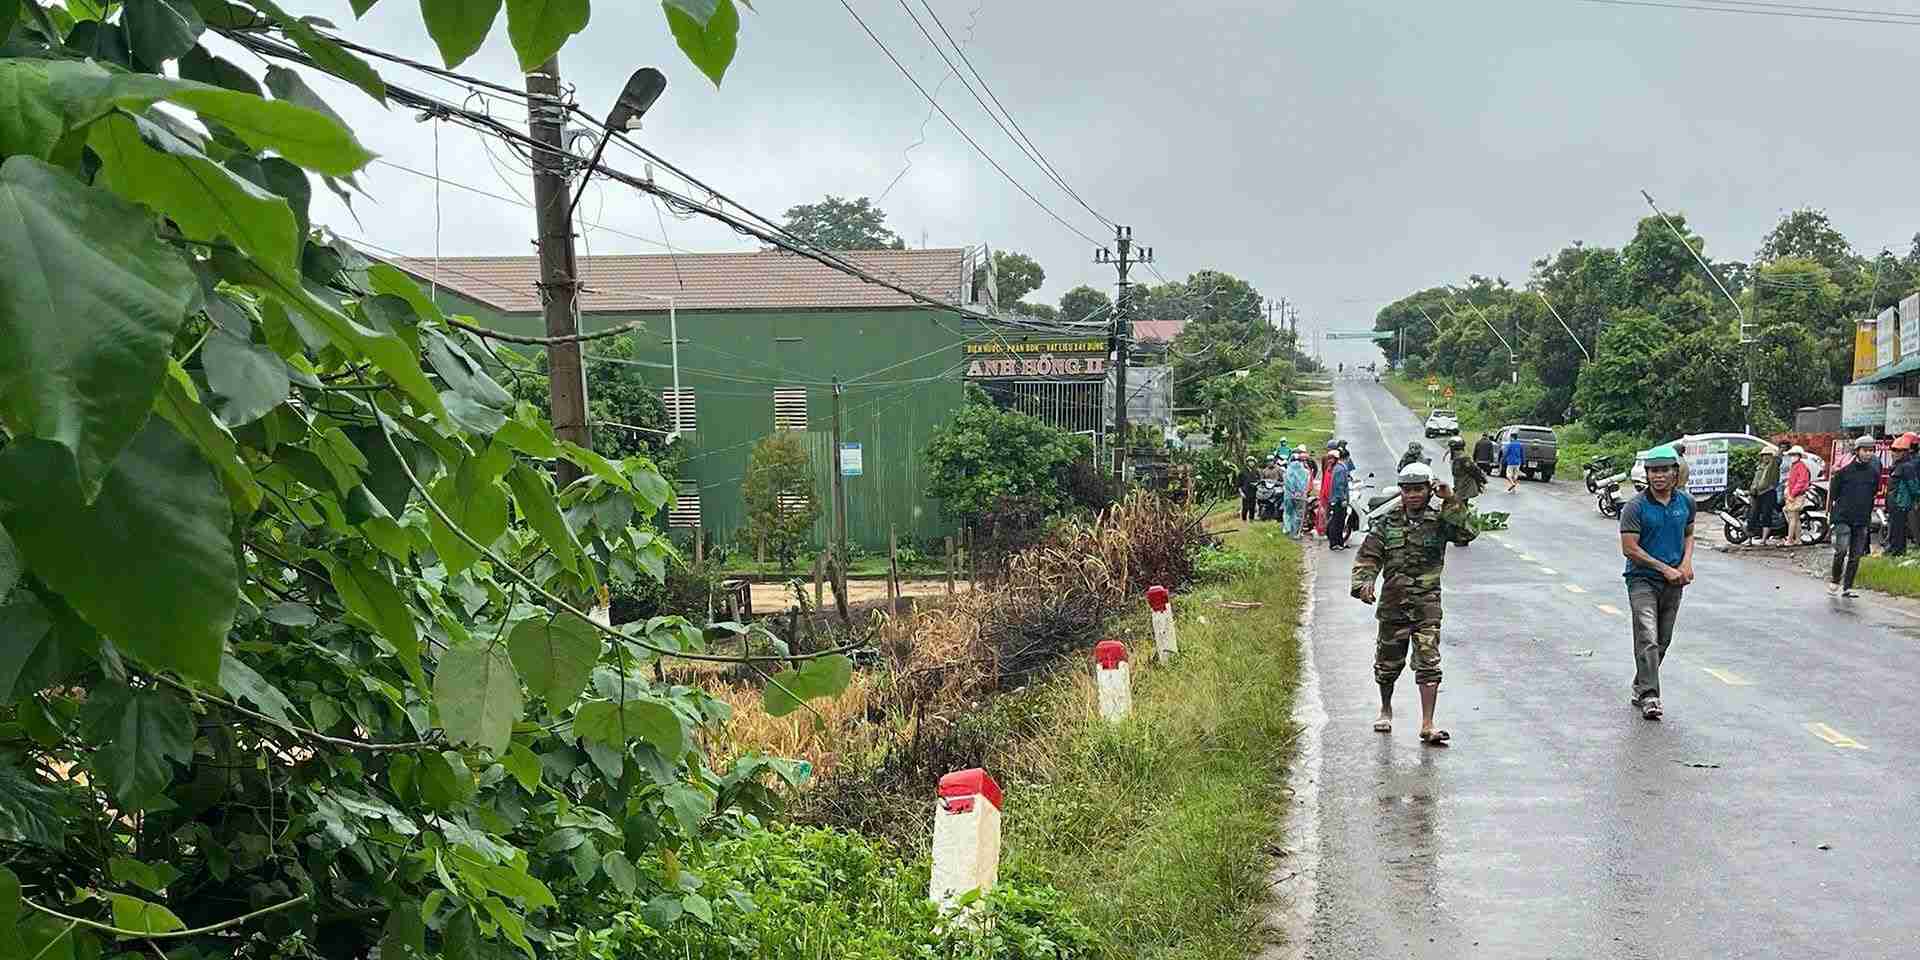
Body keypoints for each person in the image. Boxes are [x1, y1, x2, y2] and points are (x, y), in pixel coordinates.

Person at [1350, 462, 1477, 745]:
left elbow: (1467, 533)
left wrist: (1452, 499)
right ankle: (1385, 709)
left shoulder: (1441, 519)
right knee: (1386, 664)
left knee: (1429, 662)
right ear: (1401, 492)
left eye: (1419, 489)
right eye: (1407, 490)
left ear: (1429, 490)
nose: (1413, 495)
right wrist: (1364, 583)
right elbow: (1369, 556)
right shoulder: (1387, 522)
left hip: (1427, 605)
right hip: (1393, 605)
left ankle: (1428, 723)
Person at [1618, 445, 1695, 721]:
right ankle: (1651, 696)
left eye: (1664, 470)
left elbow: (1689, 533)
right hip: (1642, 580)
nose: (1658, 476)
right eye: (1653, 471)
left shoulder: (1685, 502)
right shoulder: (1635, 507)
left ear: (1675, 473)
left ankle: (1641, 684)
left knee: (1662, 640)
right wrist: (1664, 568)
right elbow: (1630, 549)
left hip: (1675, 582)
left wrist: (1686, 564)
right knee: (1647, 636)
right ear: (1646, 475)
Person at [1829, 435, 1881, 598]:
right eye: (1865, 450)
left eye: (1871, 451)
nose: (1868, 454)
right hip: (1843, 517)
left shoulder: (1873, 473)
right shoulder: (1843, 473)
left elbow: (1873, 492)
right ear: (1857, 451)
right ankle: (1835, 580)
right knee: (1841, 550)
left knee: (1856, 555)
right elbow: (1834, 494)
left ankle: (1847, 587)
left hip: (1862, 518)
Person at [1748, 447, 1782, 546]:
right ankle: (1749, 539)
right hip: (1756, 494)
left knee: (1767, 516)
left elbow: (1777, 459)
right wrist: (1752, 489)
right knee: (1753, 516)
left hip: (1768, 493)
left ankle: (1763, 540)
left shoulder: (1773, 466)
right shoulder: (1759, 467)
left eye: (1768, 455)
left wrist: (1778, 452)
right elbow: (1755, 480)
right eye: (1764, 455)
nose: (1765, 457)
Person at [1893, 434, 1920, 557]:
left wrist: (1916, 500)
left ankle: (1899, 552)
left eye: (1898, 451)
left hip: (1903, 503)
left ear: (1905, 452)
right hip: (1897, 503)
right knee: (1896, 529)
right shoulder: (1899, 465)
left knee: (1901, 530)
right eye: (1893, 450)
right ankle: (1896, 551)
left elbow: (1913, 486)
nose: (1894, 453)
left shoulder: (1908, 466)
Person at [1784, 446, 1812, 546]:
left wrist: (1792, 494)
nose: (1792, 456)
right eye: (1791, 455)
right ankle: (1797, 539)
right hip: (1794, 494)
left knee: (1793, 518)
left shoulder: (1800, 466)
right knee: (1796, 518)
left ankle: (1790, 539)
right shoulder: (1795, 465)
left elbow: (1801, 482)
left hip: (1796, 495)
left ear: (1799, 456)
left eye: (1794, 455)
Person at [1448, 435, 1487, 502]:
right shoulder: (1456, 457)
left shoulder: (1463, 458)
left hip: (1465, 486)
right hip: (1459, 485)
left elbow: (1474, 470)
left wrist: (1482, 480)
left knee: (1460, 504)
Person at [1283, 449, 1313, 537]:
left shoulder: (1287, 471)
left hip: (1289, 495)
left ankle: (1287, 529)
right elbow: (1306, 484)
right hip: (1300, 496)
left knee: (1288, 512)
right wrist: (1300, 492)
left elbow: (1286, 483)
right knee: (1298, 514)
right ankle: (1296, 533)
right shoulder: (1305, 472)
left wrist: (1292, 491)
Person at [1328, 450, 1353, 550]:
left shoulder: (1338, 468)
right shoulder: (1341, 469)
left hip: (1336, 498)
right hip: (1338, 499)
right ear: (1346, 458)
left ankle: (1340, 542)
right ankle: (1335, 543)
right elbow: (1339, 486)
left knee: (1340, 521)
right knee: (1337, 522)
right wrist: (1343, 499)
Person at [1238, 456, 1260, 524]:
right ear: (1247, 463)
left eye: (1252, 462)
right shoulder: (1242, 472)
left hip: (1253, 492)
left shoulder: (1256, 471)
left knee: (1252, 507)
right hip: (1245, 492)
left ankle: (1251, 519)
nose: (1251, 463)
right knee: (1245, 507)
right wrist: (1241, 492)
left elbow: (1259, 481)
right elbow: (1238, 484)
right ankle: (1244, 520)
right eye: (1250, 461)